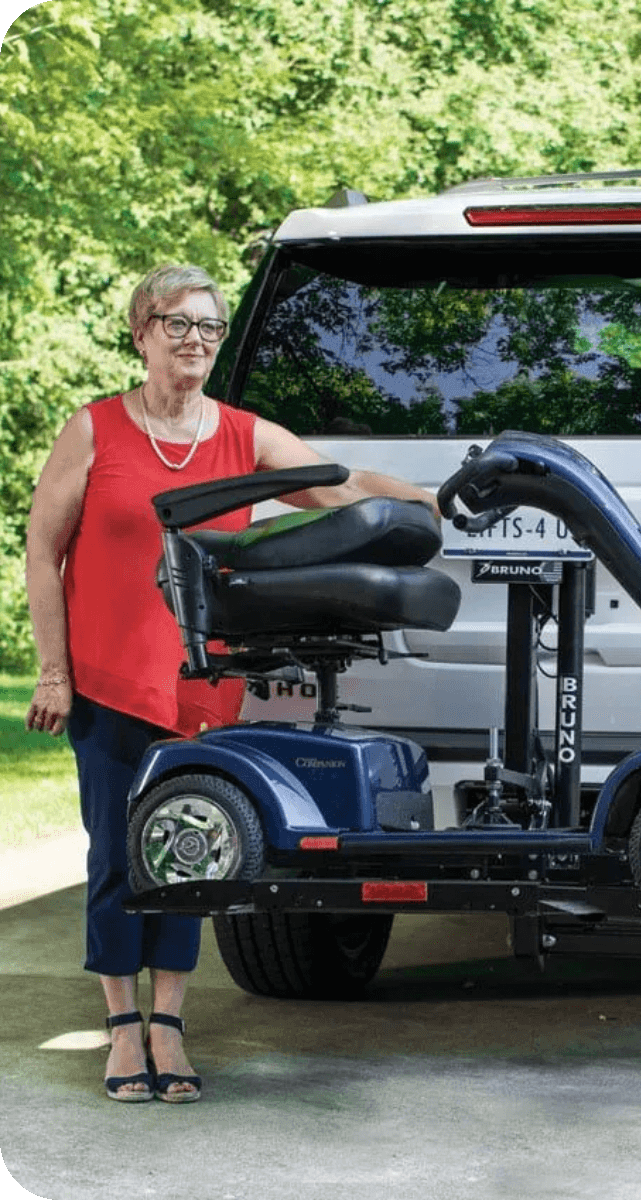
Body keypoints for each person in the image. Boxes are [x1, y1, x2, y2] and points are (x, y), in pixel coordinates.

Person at [24, 264, 437, 1103]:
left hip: (200, 686)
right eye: (178, 324)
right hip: (107, 683)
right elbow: (42, 551)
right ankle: (119, 1028)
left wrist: (428, 497)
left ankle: (168, 1026)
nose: (195, 341)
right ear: (141, 330)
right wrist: (55, 671)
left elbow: (338, 486)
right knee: (114, 854)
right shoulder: (95, 430)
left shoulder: (245, 434)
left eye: (210, 328)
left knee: (191, 854)